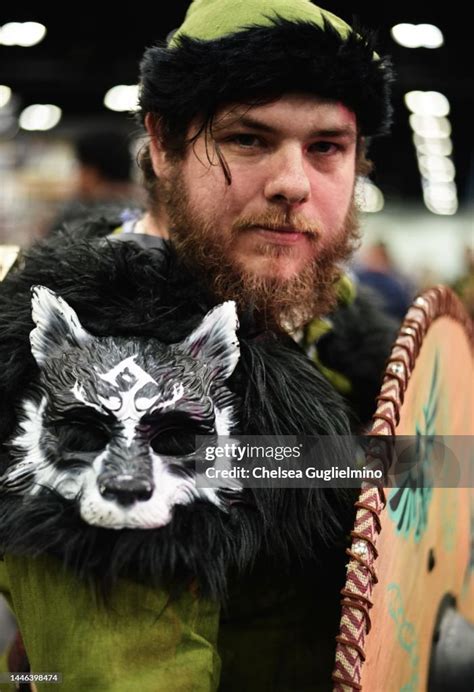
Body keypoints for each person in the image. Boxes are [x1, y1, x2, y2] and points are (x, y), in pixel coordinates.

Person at [0, 1, 399, 689]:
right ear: (163, 143)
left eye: (327, 147)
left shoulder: (325, 318)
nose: (293, 184)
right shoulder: (102, 360)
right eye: (247, 138)